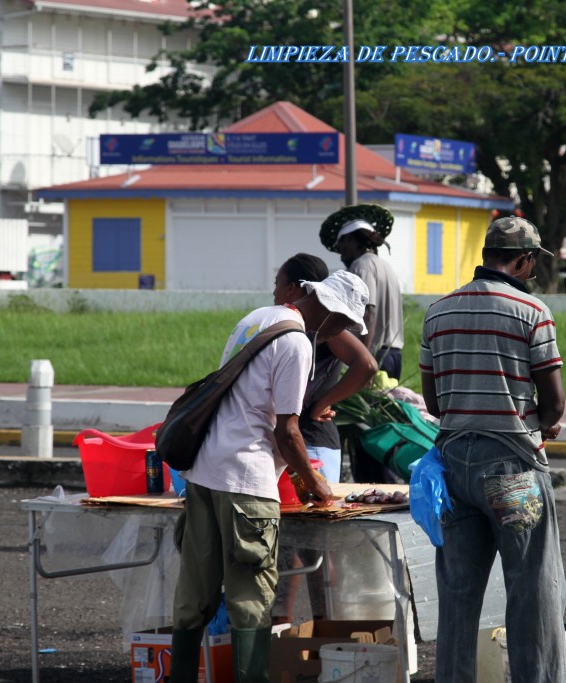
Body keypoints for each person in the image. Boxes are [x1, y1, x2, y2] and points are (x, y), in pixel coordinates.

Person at [169, 270, 370, 683]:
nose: (342, 331)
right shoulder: (297, 342)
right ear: (331, 312)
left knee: (194, 594)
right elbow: (287, 431)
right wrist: (315, 484)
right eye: (344, 322)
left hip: (204, 471)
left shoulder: (257, 317)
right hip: (246, 481)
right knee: (251, 598)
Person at [420, 215, 566, 683]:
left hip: (453, 469)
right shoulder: (531, 311)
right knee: (532, 591)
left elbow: (434, 403)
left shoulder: (437, 311)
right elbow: (554, 402)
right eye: (533, 262)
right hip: (512, 471)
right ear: (523, 260)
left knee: (458, 595)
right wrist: (543, 422)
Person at [272, 253, 378, 483]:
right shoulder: (290, 325)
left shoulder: (325, 327)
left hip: (311, 441)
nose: (273, 291)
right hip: (295, 442)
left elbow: (367, 365)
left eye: (277, 282)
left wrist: (321, 403)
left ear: (292, 288)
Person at [319, 203, 404, 380]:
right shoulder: (386, 266)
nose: (341, 255)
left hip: (375, 354)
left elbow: (368, 312)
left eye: (341, 246)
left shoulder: (361, 266)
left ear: (351, 239)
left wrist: (364, 358)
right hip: (394, 354)